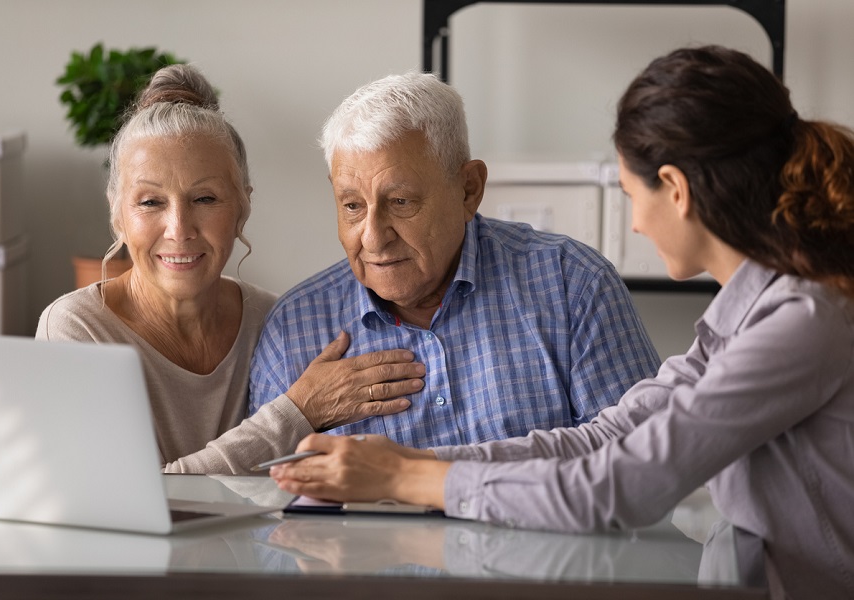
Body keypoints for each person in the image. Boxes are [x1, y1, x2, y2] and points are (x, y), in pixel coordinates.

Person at [270, 46, 854, 600]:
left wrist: (400, 483)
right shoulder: (745, 315)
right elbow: (601, 439)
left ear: (674, 190)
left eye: (629, 196)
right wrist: (408, 463)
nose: (635, 227)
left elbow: (618, 486)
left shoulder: (801, 322)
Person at [36, 64, 425, 473]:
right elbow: (134, 505)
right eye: (150, 202)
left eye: (205, 199)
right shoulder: (75, 331)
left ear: (242, 207)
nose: (179, 229)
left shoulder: (275, 324)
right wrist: (298, 412)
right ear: (117, 214)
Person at [248, 71, 660, 449]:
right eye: (352, 206)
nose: (373, 237)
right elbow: (263, 517)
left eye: (401, 201)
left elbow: (642, 467)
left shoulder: (573, 285)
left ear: (469, 189)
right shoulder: (294, 332)